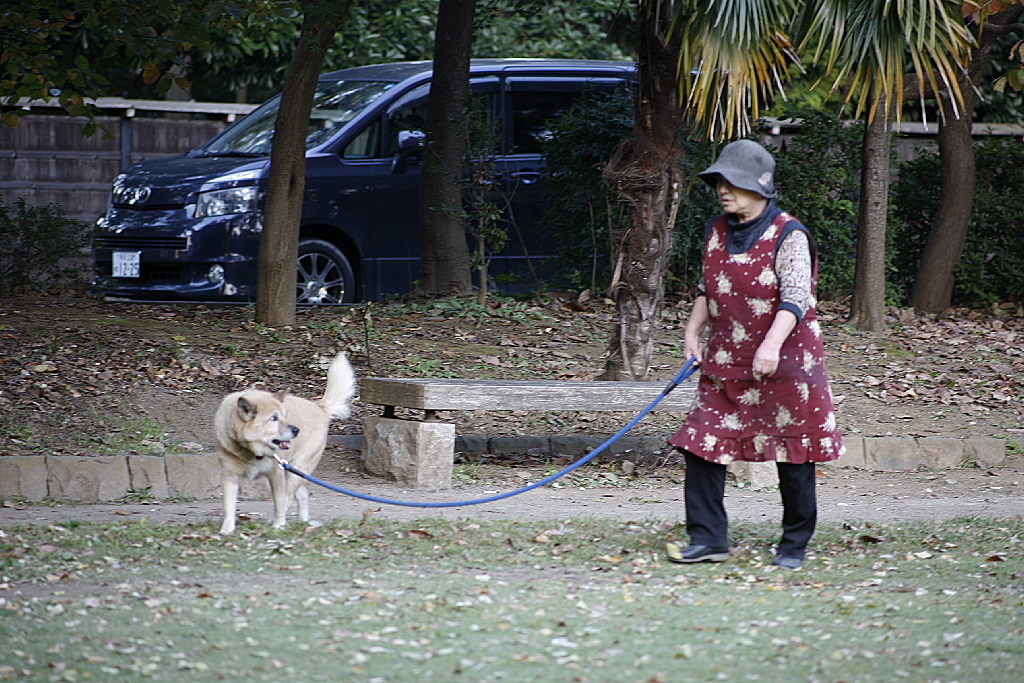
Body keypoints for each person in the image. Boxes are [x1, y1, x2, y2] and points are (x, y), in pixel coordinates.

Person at [665, 139, 844, 570]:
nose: (723, 191)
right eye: (719, 183)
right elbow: (710, 287)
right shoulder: (716, 229)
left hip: (786, 364)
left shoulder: (789, 233)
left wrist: (769, 345)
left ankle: (794, 544)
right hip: (726, 362)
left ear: (760, 187)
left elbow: (797, 296)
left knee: (793, 452)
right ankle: (707, 540)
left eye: (734, 184)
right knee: (702, 444)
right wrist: (692, 331)